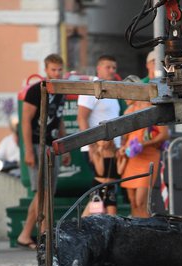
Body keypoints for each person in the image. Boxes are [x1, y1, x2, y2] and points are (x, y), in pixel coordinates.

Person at [15, 54, 69, 249]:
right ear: (46, 69)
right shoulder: (36, 91)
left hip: (53, 145)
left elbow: (59, 119)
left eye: (59, 69)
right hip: (38, 145)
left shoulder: (61, 90)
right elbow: (26, 122)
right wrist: (28, 150)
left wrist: (65, 146)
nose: (57, 72)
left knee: (46, 194)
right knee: (43, 192)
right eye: (53, 69)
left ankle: (25, 235)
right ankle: (45, 234)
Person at [78, 55, 121, 215]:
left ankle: (98, 224)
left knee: (106, 191)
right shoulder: (92, 88)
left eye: (114, 68)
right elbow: (81, 118)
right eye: (108, 67)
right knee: (101, 188)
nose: (111, 71)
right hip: (98, 149)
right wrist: (91, 146)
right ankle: (84, 223)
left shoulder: (111, 90)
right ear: (99, 68)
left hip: (111, 150)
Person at [119, 99, 169, 217]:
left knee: (140, 201)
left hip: (149, 156)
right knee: (133, 202)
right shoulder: (128, 111)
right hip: (131, 157)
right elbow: (125, 136)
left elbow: (165, 134)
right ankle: (136, 230)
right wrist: (122, 147)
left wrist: (143, 145)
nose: (125, 98)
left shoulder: (153, 107)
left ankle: (147, 230)